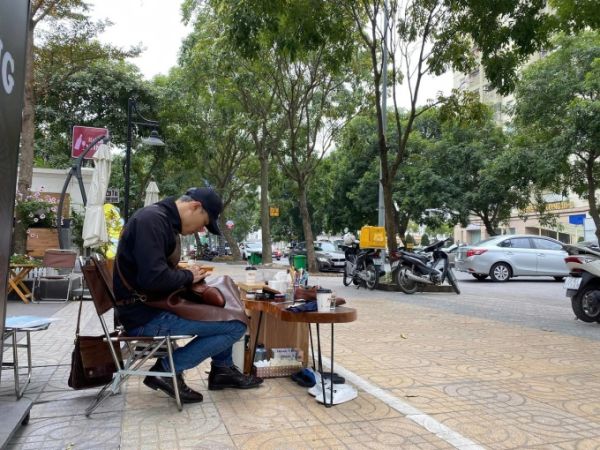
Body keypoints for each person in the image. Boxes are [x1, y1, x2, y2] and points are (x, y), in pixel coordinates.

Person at [113, 187, 262, 404]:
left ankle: (222, 370)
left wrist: (186, 275)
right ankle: (164, 370)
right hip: (144, 316)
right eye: (203, 223)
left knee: (225, 308)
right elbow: (151, 279)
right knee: (235, 325)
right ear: (195, 207)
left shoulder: (161, 221)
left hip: (149, 306)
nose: (199, 230)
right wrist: (187, 276)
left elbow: (152, 273)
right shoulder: (152, 221)